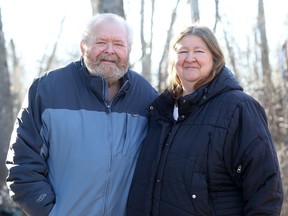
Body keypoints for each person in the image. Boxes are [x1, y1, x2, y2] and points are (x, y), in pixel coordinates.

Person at [6, 13, 158, 216]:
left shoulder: (147, 96)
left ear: (128, 50)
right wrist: (51, 212)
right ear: (83, 46)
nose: (109, 51)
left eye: (118, 44)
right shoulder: (47, 89)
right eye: (101, 42)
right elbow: (22, 167)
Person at [127, 24, 283, 215]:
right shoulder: (160, 112)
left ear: (214, 58)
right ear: (174, 60)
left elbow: (265, 188)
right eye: (183, 51)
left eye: (199, 51)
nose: (189, 58)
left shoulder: (238, 107)